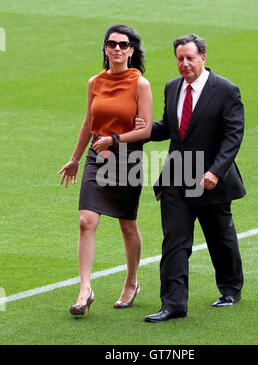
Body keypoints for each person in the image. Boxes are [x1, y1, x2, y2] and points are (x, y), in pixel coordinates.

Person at [136, 34, 246, 322]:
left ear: (203, 58)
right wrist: (144, 129)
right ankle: (173, 305)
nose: (184, 64)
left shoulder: (226, 90)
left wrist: (216, 171)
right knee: (174, 241)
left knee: (220, 238)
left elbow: (233, 136)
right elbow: (171, 128)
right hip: (176, 176)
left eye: (190, 58)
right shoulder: (172, 87)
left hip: (210, 179)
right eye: (179, 58)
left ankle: (231, 288)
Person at [58, 24, 152, 315]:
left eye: (123, 45)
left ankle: (132, 281)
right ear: (105, 48)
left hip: (128, 157)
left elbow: (146, 130)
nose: (117, 49)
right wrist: (75, 158)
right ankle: (85, 289)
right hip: (96, 157)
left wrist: (115, 139)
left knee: (127, 224)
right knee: (86, 221)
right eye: (111, 44)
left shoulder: (140, 84)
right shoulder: (94, 82)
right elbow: (89, 122)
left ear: (132, 51)